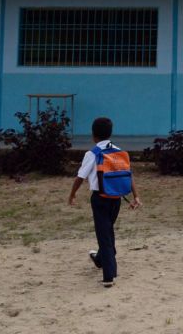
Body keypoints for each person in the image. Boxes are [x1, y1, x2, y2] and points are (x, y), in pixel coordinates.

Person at [69, 116, 141, 288]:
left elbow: (80, 177)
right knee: (107, 231)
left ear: (93, 135)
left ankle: (109, 275)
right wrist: (136, 196)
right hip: (116, 199)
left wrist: (72, 194)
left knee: (104, 235)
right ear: (110, 133)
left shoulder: (92, 153)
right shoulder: (119, 151)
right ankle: (100, 259)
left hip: (99, 198)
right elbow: (128, 175)